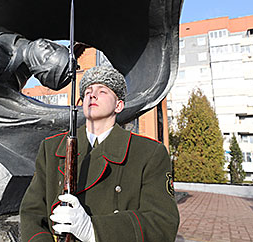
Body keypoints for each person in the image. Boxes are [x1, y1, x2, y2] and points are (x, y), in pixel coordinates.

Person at [20, 66, 179, 242]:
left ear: (119, 105)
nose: (92, 95)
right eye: (87, 91)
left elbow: (162, 223)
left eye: (102, 91)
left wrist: (93, 230)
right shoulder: (52, 149)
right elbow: (32, 213)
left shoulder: (148, 153)